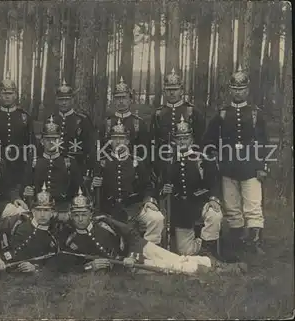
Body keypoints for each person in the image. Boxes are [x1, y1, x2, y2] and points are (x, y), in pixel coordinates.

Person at [58, 189, 221, 275]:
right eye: (76, 215)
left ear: (91, 213)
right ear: (71, 215)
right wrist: (90, 267)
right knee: (169, 268)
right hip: (127, 266)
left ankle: (208, 262)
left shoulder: (102, 221)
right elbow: (70, 264)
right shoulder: (71, 239)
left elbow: (129, 233)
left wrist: (131, 254)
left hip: (138, 247)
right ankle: (201, 269)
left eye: (84, 214)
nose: (80, 219)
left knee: (173, 257)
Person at [203, 65, 269, 259]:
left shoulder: (256, 114)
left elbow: (264, 142)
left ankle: (254, 242)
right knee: (232, 206)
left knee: (253, 205)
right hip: (228, 167)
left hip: (251, 167)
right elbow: (209, 140)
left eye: (242, 89)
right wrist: (214, 156)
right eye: (235, 89)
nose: (238, 92)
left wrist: (262, 166)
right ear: (230, 90)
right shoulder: (222, 114)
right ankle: (236, 241)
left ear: (247, 90)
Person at [159, 115, 224, 261]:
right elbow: (161, 184)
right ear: (174, 141)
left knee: (215, 215)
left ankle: (208, 249)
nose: (182, 142)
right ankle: (201, 243)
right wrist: (164, 189)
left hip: (199, 202)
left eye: (185, 138)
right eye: (179, 139)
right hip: (180, 209)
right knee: (186, 252)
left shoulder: (201, 159)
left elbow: (213, 182)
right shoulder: (168, 161)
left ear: (191, 140)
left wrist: (213, 199)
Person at [92, 119, 164, 245]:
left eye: (122, 138)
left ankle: (149, 249)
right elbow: (93, 190)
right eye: (115, 138)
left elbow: (148, 185)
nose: (118, 142)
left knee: (156, 218)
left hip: (134, 208)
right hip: (110, 209)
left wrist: (148, 200)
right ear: (110, 141)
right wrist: (93, 185)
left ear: (127, 141)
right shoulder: (102, 163)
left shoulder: (136, 162)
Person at [23, 116, 83, 223]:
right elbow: (25, 185)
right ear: (42, 141)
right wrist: (26, 191)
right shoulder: (34, 162)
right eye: (47, 139)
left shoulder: (69, 162)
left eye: (54, 139)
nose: (51, 142)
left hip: (63, 209)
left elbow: (79, 188)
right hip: (40, 210)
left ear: (60, 141)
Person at [0, 73, 35, 193]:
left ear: (15, 95)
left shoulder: (24, 117)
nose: (7, 97)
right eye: (4, 93)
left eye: (10, 94)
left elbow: (31, 143)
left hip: (20, 163)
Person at [43, 80, 96, 182]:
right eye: (61, 99)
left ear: (72, 100)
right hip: (54, 167)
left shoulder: (82, 120)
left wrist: (88, 170)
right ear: (57, 100)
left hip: (77, 168)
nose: (64, 102)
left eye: (67, 99)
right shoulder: (51, 120)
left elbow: (89, 147)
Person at [150, 68, 206, 152]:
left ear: (181, 91)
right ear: (164, 91)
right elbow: (153, 139)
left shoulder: (192, 111)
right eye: (168, 90)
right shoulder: (158, 113)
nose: (172, 93)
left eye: (175, 89)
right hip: (163, 158)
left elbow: (200, 138)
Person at [99, 76, 150, 161]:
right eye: (118, 98)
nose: (121, 101)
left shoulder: (139, 123)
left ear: (130, 100)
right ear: (114, 101)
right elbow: (100, 150)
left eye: (124, 97)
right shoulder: (107, 123)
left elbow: (144, 152)